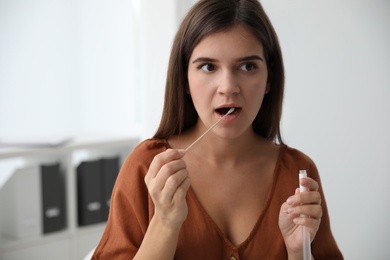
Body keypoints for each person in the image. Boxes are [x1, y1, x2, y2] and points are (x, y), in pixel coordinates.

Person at [92, 0, 343, 259]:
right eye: (208, 67)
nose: (228, 87)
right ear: (185, 80)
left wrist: (297, 252)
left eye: (247, 66)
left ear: (269, 79)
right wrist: (164, 223)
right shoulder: (145, 168)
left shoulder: (298, 175)